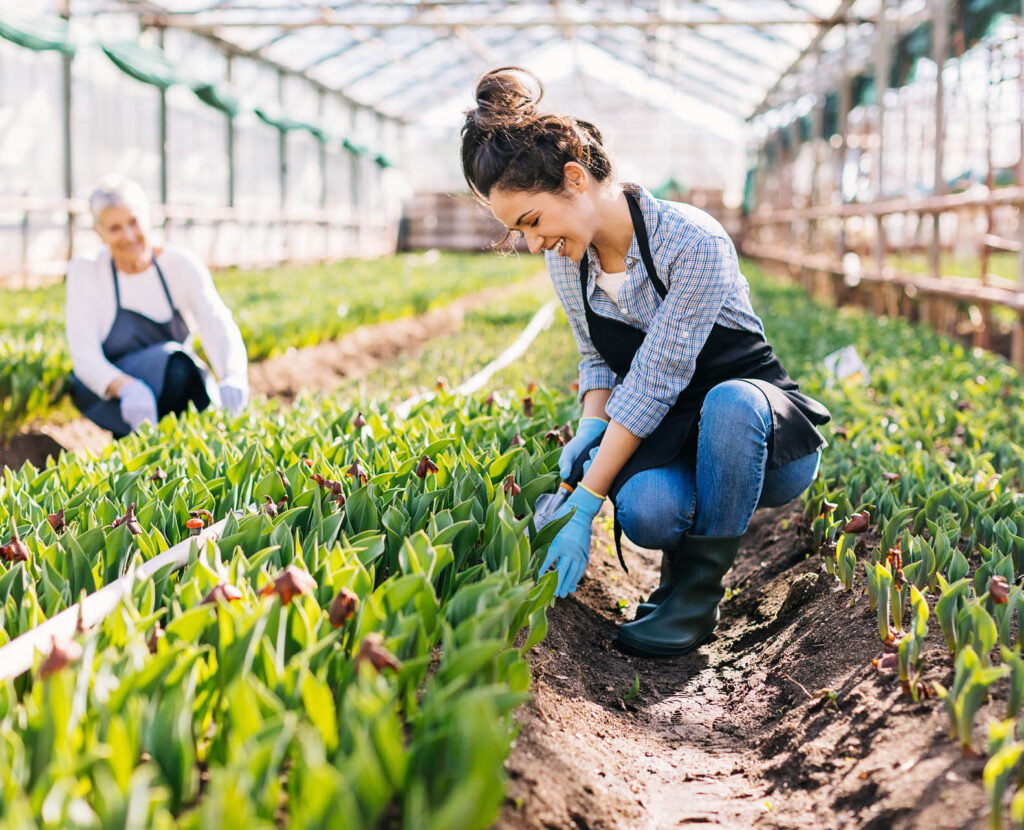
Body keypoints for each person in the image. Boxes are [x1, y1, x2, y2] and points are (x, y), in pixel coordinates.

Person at [460, 68, 831, 658]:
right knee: (647, 510)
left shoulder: (691, 241)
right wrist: (589, 423)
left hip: (761, 442)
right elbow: (597, 358)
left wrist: (583, 503)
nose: (531, 244)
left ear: (575, 179)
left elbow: (657, 380)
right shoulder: (568, 261)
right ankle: (673, 580)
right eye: (516, 233)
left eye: (531, 222)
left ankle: (695, 599)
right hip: (672, 432)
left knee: (729, 403)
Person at [65, 176, 249, 438]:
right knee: (173, 362)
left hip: (175, 384)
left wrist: (232, 375)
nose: (128, 236)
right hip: (110, 395)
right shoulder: (86, 271)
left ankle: (176, 441)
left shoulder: (181, 264)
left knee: (178, 365)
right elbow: (83, 354)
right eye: (115, 228)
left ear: (149, 219)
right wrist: (126, 387)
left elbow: (215, 321)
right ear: (98, 232)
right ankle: (131, 440)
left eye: (133, 222)